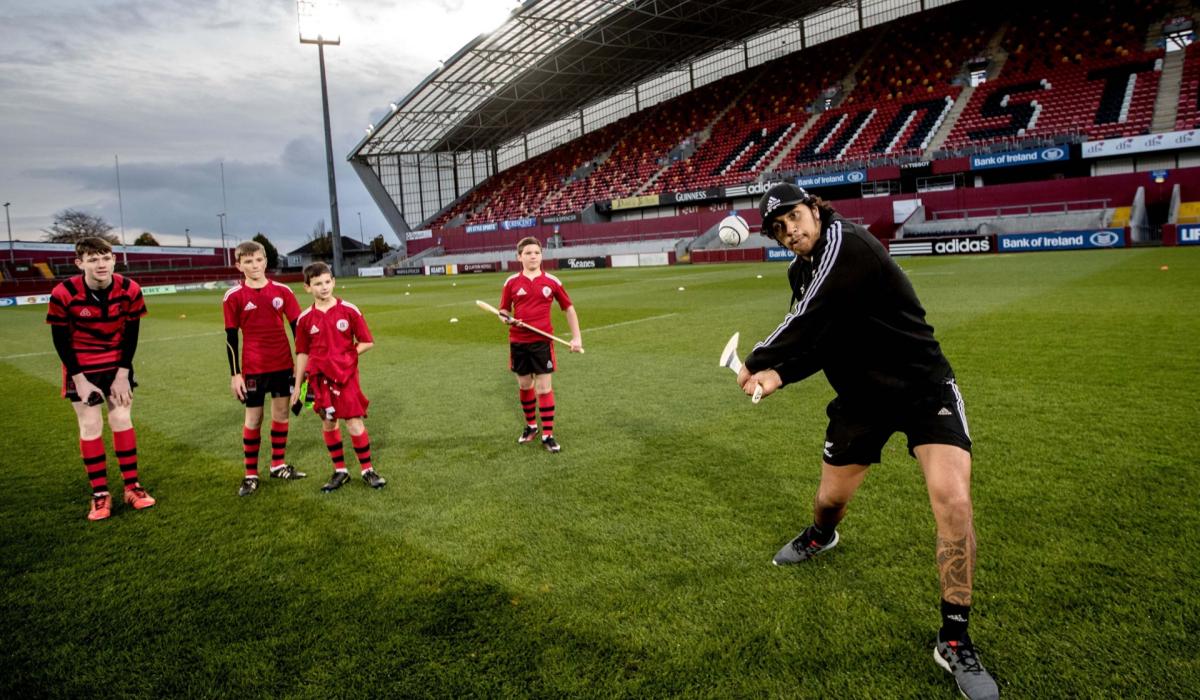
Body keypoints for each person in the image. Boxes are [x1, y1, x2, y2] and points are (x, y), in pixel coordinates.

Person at [738, 183, 999, 700]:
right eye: (777, 228)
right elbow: (820, 338)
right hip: (860, 401)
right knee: (830, 500)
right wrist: (780, 375)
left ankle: (953, 637)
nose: (789, 231)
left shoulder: (847, 242)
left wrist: (757, 358)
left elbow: (806, 318)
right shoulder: (800, 271)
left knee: (954, 503)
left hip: (924, 389)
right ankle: (820, 536)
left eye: (793, 217)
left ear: (814, 208)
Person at [46, 237, 155, 520]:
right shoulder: (63, 292)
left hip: (117, 363)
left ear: (114, 260)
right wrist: (79, 380)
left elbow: (131, 334)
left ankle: (132, 487)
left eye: (105, 258)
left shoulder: (130, 289)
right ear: (79, 263)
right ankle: (99, 494)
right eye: (93, 259)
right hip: (81, 365)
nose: (101, 264)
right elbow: (60, 340)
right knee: (90, 423)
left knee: (121, 419)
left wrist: (123, 373)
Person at [290, 262, 385, 492]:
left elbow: (367, 341)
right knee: (329, 421)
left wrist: (346, 356)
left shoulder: (349, 310)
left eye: (326, 282)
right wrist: (297, 386)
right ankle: (340, 471)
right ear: (307, 287)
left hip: (346, 377)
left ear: (333, 281)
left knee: (353, 421)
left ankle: (367, 469)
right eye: (317, 284)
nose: (323, 287)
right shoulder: (304, 319)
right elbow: (302, 353)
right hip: (319, 380)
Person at [223, 241, 306, 496]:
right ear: (239, 265)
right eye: (247, 262)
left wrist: (301, 372)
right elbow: (230, 338)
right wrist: (235, 374)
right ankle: (250, 474)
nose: (254, 265)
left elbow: (299, 333)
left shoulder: (283, 292)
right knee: (254, 419)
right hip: (254, 369)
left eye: (258, 260)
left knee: (281, 415)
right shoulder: (233, 296)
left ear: (265, 261)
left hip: (283, 365)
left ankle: (277, 465)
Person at [496, 237, 582, 453]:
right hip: (518, 341)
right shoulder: (511, 282)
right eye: (528, 253)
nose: (533, 256)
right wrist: (506, 318)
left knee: (544, 388)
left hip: (543, 342)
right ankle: (531, 426)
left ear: (541, 255)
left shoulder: (552, 281)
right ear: (519, 257)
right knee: (525, 385)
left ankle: (548, 434)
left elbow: (569, 309)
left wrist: (576, 338)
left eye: (536, 252)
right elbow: (503, 310)